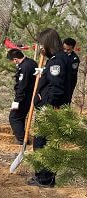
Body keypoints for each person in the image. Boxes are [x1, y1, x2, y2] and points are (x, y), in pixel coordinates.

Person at [28, 29, 69, 188]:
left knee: (41, 144)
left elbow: (57, 88)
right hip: (53, 108)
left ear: (48, 43)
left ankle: (44, 178)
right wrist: (44, 71)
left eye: (41, 44)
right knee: (48, 143)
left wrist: (47, 106)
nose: (40, 48)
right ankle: (47, 177)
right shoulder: (58, 59)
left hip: (49, 109)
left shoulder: (57, 61)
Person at [6, 49, 37, 144]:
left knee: (14, 117)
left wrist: (17, 101)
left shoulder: (25, 67)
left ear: (15, 59)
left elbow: (22, 85)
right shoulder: (31, 62)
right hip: (29, 95)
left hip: (24, 96)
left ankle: (21, 139)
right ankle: (23, 137)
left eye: (12, 61)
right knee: (20, 117)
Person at [63, 37, 80, 102]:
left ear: (72, 49)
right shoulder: (60, 54)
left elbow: (71, 74)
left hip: (68, 84)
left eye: (68, 50)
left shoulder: (74, 59)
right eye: (64, 49)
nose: (65, 51)